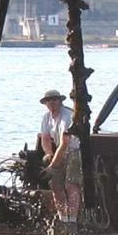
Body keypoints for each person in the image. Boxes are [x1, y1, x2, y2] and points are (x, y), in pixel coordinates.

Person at [39, 88, 82, 224]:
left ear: (60, 101)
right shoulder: (46, 118)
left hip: (74, 151)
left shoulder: (67, 116)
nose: (51, 103)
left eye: (54, 100)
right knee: (56, 186)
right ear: (45, 103)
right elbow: (45, 138)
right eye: (48, 101)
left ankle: (72, 221)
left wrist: (52, 166)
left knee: (71, 185)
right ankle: (63, 218)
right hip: (59, 152)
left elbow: (65, 143)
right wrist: (49, 154)